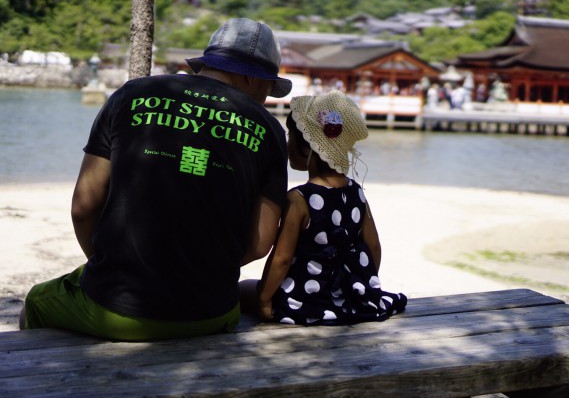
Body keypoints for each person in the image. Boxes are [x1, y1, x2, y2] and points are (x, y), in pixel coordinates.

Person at [20, 18, 291, 341]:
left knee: (35, 303)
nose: (266, 98)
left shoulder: (131, 95)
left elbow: (83, 206)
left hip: (116, 307)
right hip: (212, 313)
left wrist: (113, 266)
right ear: (250, 76)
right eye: (267, 87)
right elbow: (260, 243)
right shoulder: (271, 131)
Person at [246, 90, 407, 325]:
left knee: (244, 289)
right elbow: (373, 246)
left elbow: (281, 258)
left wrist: (264, 301)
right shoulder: (356, 193)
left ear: (307, 147)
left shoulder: (299, 199)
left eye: (291, 135)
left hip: (304, 300)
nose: (287, 142)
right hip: (346, 296)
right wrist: (361, 288)